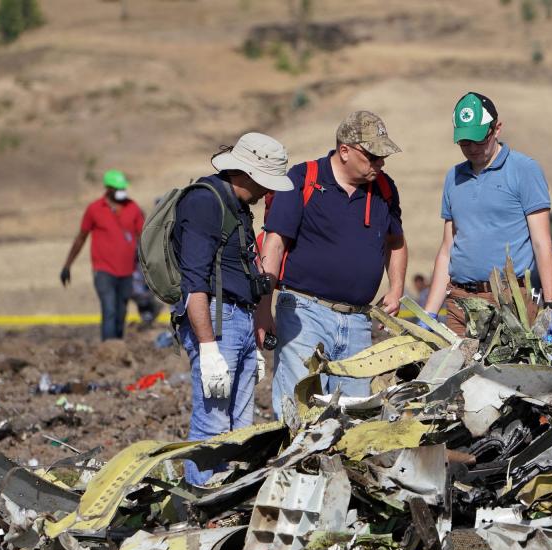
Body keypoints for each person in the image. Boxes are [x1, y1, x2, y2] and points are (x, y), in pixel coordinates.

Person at [258, 111, 407, 417]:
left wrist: (397, 289)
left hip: (357, 322)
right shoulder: (302, 179)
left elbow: (397, 243)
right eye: (373, 156)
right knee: (299, 411)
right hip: (304, 314)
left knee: (354, 416)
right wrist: (263, 309)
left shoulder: (384, 189)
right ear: (345, 151)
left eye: (382, 157)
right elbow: (274, 244)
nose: (380, 164)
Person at [173, 132, 294, 484]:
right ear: (248, 173)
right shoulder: (203, 202)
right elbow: (194, 284)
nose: (265, 192)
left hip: (237, 321)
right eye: (264, 183)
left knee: (240, 426)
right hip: (215, 321)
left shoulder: (238, 207)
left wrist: (251, 340)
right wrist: (208, 349)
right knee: (213, 424)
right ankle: (201, 500)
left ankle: (227, 500)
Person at [422, 91, 552, 342]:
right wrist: (430, 314)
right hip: (459, 302)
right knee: (456, 379)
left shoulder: (524, 170)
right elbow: (448, 249)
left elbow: (542, 243)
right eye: (465, 142)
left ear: (496, 129)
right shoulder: (453, 178)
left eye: (479, 140)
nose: (473, 149)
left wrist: (551, 306)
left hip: (509, 303)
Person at [60, 169, 145, 341]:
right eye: (118, 188)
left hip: (127, 271)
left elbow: (143, 237)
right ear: (108, 188)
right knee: (109, 309)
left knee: (121, 311)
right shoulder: (94, 209)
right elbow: (81, 238)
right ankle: (108, 348)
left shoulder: (133, 208)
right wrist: (67, 265)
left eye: (123, 188)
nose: (122, 191)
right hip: (103, 270)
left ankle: (117, 348)